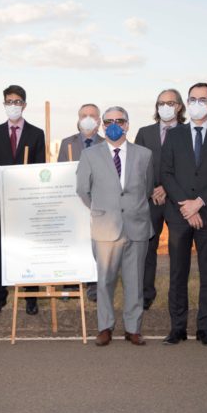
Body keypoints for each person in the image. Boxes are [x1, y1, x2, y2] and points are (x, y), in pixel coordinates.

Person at [161, 83, 207, 347]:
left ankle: (205, 328)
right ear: (187, 103)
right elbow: (166, 173)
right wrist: (186, 204)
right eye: (192, 99)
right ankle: (177, 328)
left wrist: (199, 203)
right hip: (180, 214)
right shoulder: (175, 134)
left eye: (202, 99)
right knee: (177, 273)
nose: (197, 103)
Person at [76, 106, 154, 346]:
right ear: (102, 125)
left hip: (136, 226)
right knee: (105, 281)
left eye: (119, 121)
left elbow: (147, 187)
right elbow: (82, 189)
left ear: (127, 125)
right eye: (108, 121)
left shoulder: (144, 154)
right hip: (105, 227)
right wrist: (101, 209)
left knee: (135, 282)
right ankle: (105, 327)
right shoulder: (90, 154)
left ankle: (133, 328)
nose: (114, 125)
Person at [0, 85, 45, 315]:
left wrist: (26, 195)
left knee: (29, 248)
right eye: (9, 101)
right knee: (1, 250)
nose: (13, 105)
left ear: (25, 105)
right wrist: (2, 194)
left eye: (17, 101)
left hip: (28, 204)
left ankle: (31, 297)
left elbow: (39, 168)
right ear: (4, 104)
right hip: (3, 203)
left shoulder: (36, 134)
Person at [134, 88, 185, 310]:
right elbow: (136, 166)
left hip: (177, 201)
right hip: (150, 199)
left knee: (178, 250)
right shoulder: (145, 133)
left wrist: (166, 187)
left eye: (170, 103)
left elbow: (190, 167)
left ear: (180, 106)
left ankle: (177, 295)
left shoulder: (188, 132)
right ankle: (146, 294)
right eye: (161, 103)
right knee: (147, 248)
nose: (165, 107)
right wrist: (153, 189)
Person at [57, 103, 104, 302]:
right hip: (73, 203)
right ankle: (70, 284)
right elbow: (60, 173)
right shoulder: (67, 142)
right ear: (78, 118)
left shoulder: (106, 143)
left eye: (92, 115)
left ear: (99, 120)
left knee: (96, 246)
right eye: (84, 115)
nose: (87, 118)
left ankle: (94, 286)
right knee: (73, 243)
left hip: (98, 204)